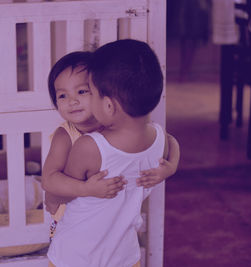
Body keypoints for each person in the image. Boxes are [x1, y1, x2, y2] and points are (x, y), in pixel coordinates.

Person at [46, 39, 170, 267]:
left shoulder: (91, 146)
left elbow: (59, 193)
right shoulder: (157, 137)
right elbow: (173, 145)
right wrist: (170, 168)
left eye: (86, 91)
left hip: (78, 256)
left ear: (109, 105)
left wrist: (77, 190)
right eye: (61, 95)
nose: (73, 101)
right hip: (123, 253)